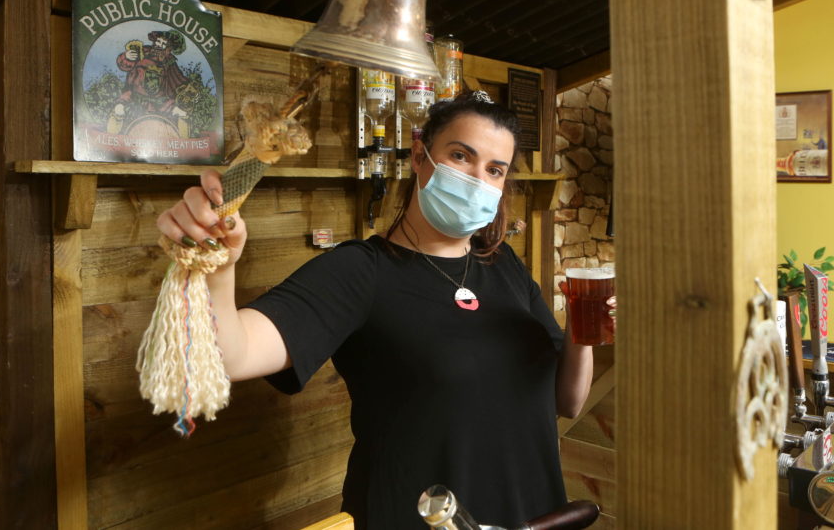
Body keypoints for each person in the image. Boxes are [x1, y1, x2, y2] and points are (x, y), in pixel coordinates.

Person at [156, 90, 599, 529]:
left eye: (495, 170)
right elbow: (229, 355)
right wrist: (217, 265)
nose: (477, 179)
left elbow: (567, 400)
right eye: (462, 156)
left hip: (534, 515)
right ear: (420, 156)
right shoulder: (360, 272)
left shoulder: (505, 267)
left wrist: (585, 329)